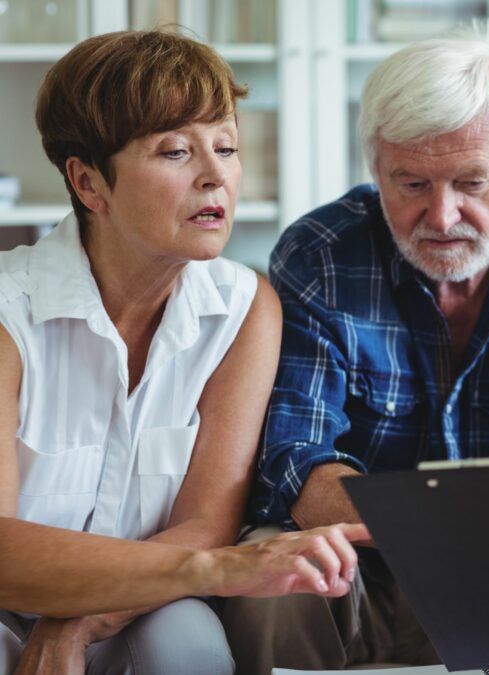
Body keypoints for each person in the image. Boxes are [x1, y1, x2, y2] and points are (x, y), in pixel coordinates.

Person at [221, 24, 489, 673]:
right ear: (376, 169)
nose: (443, 216)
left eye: (471, 184)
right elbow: (297, 459)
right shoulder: (320, 257)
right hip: (355, 559)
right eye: (412, 184)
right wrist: (431, 533)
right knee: (276, 595)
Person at [0, 29, 364, 675]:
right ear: (88, 183)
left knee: (187, 634)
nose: (214, 174)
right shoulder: (9, 312)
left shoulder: (245, 308)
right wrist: (221, 569)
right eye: (175, 151)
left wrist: (79, 617)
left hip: (145, 608)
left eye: (225, 147)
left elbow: (205, 523)